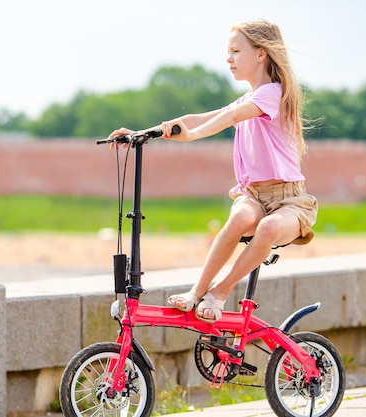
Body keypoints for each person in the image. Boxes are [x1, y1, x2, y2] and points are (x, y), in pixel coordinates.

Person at [109, 20, 318, 323]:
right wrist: (142, 133)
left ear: (261, 54)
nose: (228, 58)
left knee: (268, 229)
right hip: (253, 194)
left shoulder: (274, 93)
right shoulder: (248, 99)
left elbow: (230, 116)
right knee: (241, 217)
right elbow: (199, 117)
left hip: (290, 201)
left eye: (235, 51)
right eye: (228, 52)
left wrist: (191, 136)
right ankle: (197, 291)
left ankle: (219, 292)